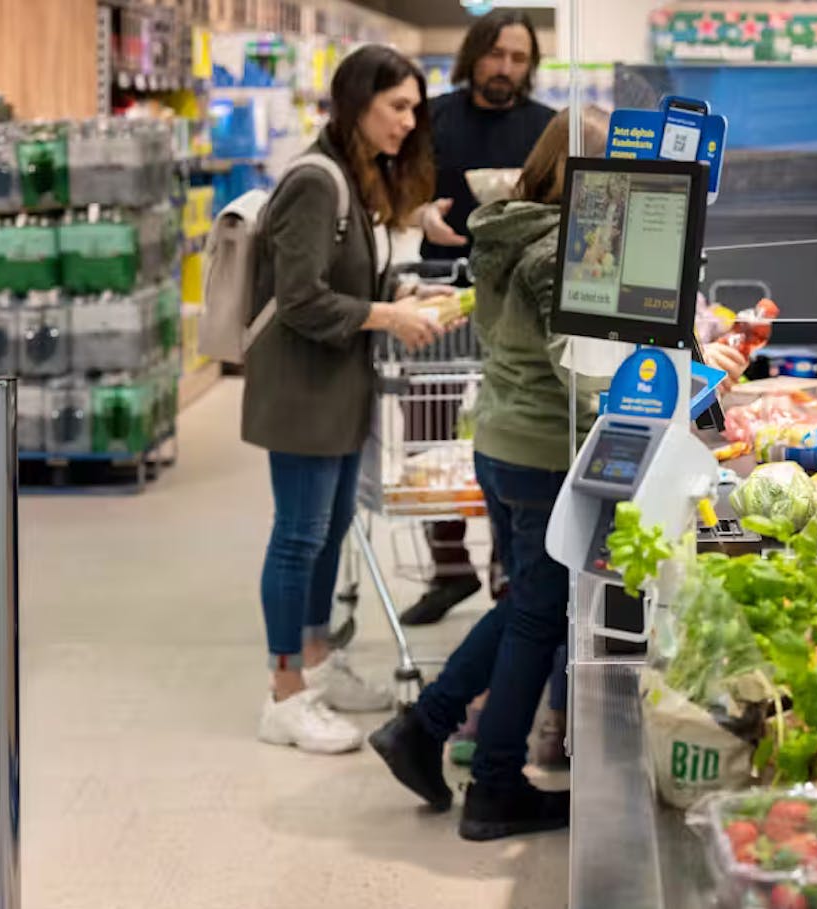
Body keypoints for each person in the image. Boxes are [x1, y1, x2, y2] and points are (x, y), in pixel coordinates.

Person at [369, 108, 746, 839]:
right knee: (539, 617)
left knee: (527, 605)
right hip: (545, 451)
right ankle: (494, 786)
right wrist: (682, 384)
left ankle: (426, 725)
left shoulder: (509, 228)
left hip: (503, 439)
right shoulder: (560, 253)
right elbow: (583, 371)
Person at [242, 45, 451, 753]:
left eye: (415, 107)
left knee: (330, 533)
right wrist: (388, 317)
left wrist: (406, 296)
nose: (409, 120)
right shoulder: (314, 180)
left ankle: (317, 662)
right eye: (398, 106)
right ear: (358, 102)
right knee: (298, 537)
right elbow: (299, 297)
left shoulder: (357, 179)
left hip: (338, 386)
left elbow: (349, 279)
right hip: (302, 389)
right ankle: (283, 692)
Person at [399, 8, 558, 628]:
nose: (506, 69)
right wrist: (418, 216)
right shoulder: (431, 119)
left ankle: (504, 569)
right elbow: (397, 189)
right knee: (428, 430)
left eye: (518, 59)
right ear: (473, 56)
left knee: (504, 435)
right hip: (441, 292)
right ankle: (449, 567)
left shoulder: (547, 128)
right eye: (496, 56)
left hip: (517, 304)